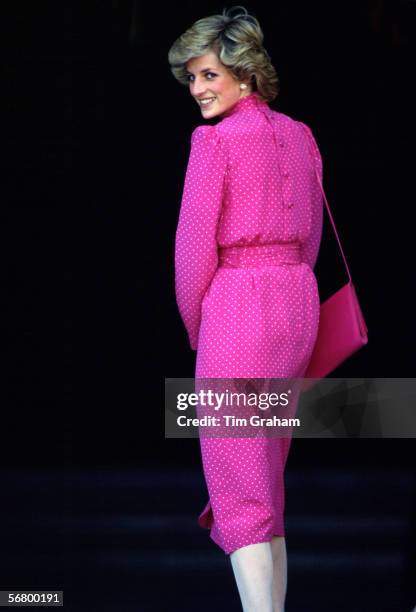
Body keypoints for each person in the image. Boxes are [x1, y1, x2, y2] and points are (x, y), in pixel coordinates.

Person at [168, 6, 323, 611]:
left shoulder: (214, 142)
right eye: (192, 78)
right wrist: (290, 281)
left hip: (239, 305)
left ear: (244, 73)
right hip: (296, 300)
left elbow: (191, 253)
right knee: (265, 483)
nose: (198, 89)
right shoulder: (301, 134)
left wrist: (198, 329)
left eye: (208, 75)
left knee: (239, 486)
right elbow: (309, 236)